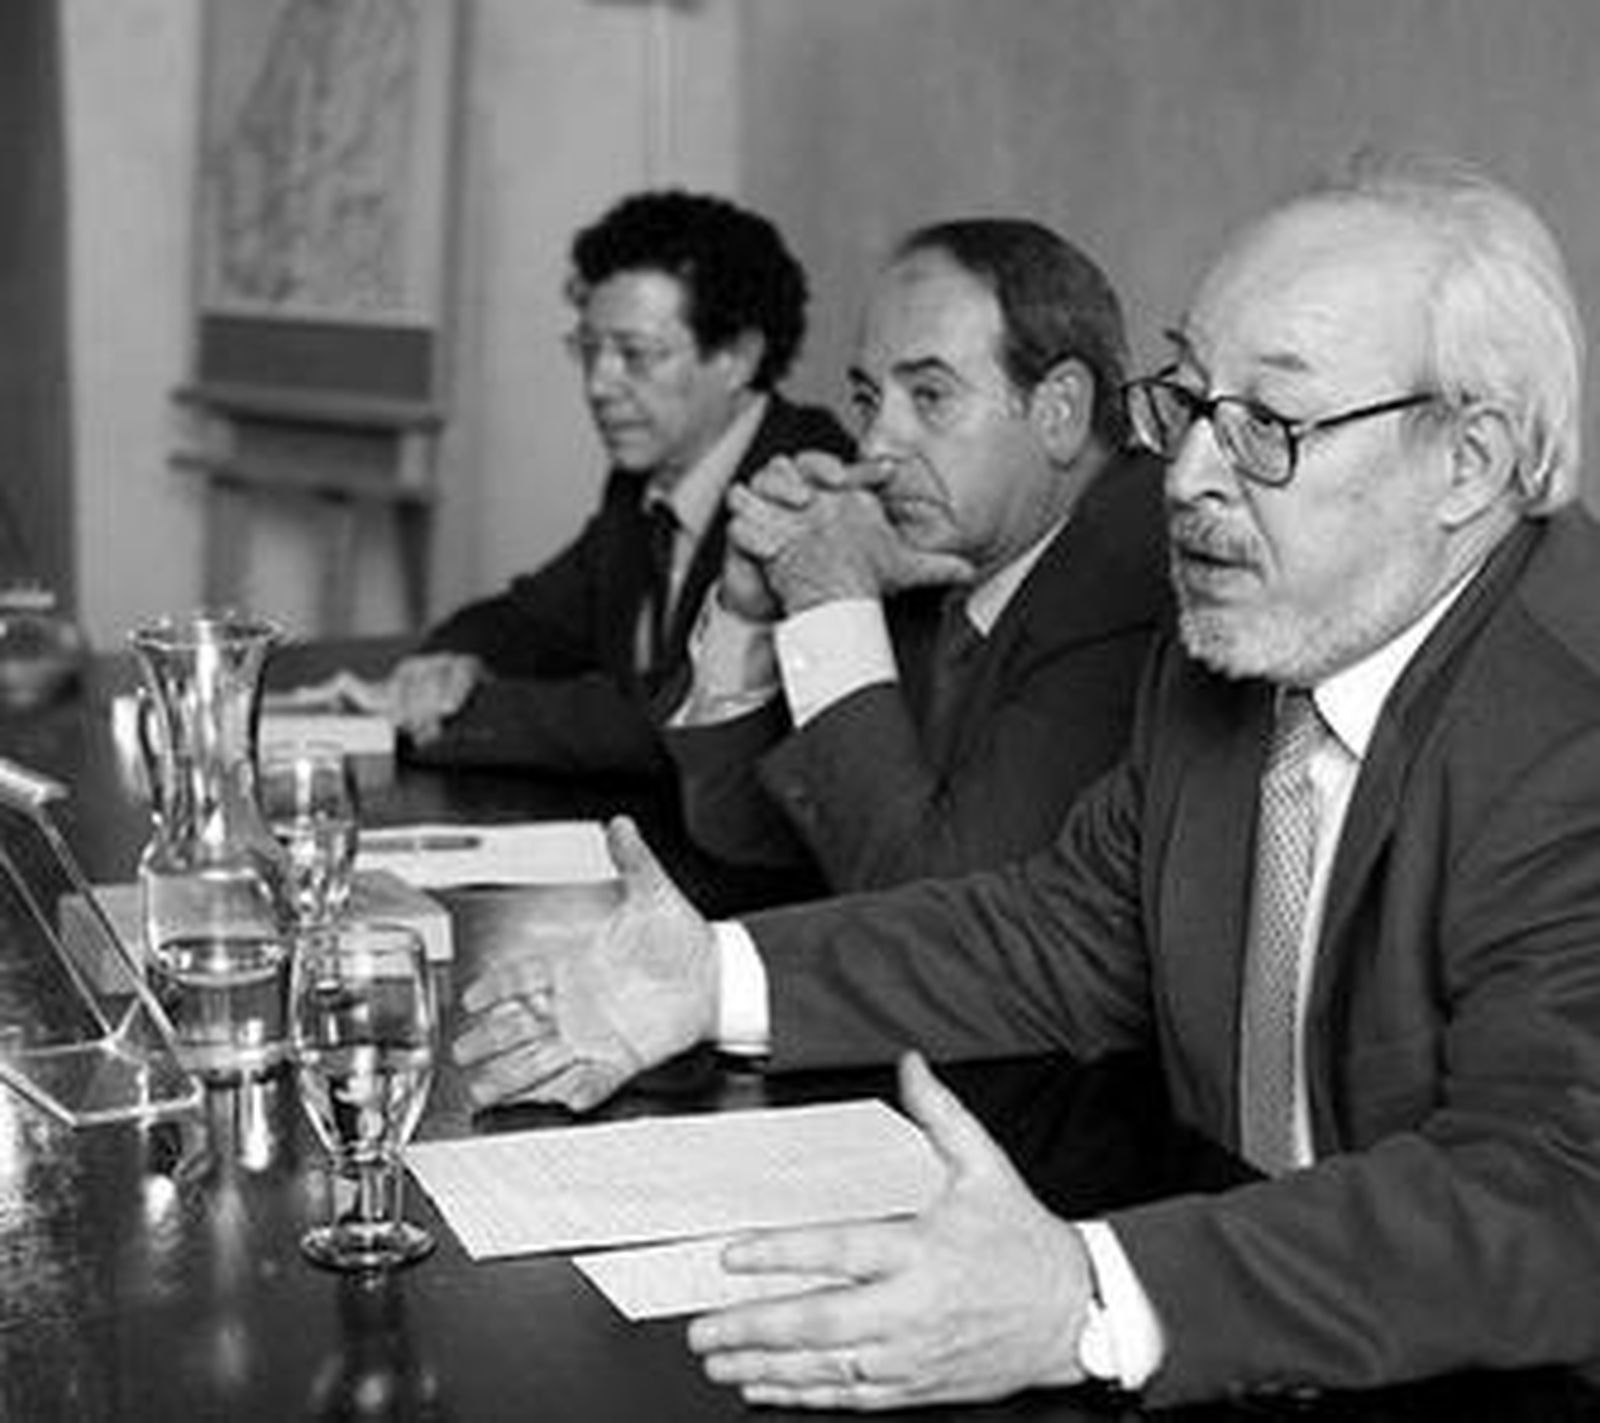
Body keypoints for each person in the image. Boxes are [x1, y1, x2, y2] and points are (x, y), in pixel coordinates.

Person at [450, 152, 1600, 1410]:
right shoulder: (1241, 640)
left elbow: (1553, 1193)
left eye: (1268, 425)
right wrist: (709, 977)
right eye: (1189, 403)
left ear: (1469, 463)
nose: (1188, 476)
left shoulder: (1570, 733)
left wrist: (1088, 1296)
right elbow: (1057, 927)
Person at [665, 219, 1170, 891]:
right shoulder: (936, 551)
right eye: (868, 400)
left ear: (1060, 411)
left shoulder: (1133, 583)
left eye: (930, 395)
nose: (876, 445)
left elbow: (937, 902)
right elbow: (743, 831)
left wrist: (831, 597)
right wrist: (749, 614)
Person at [389, 189, 853, 775]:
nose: (599, 385)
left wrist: (459, 715)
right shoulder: (644, 481)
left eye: (636, 354)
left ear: (738, 356)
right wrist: (446, 665)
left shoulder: (805, 486)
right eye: (589, 349)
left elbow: (681, 717)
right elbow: (530, 620)